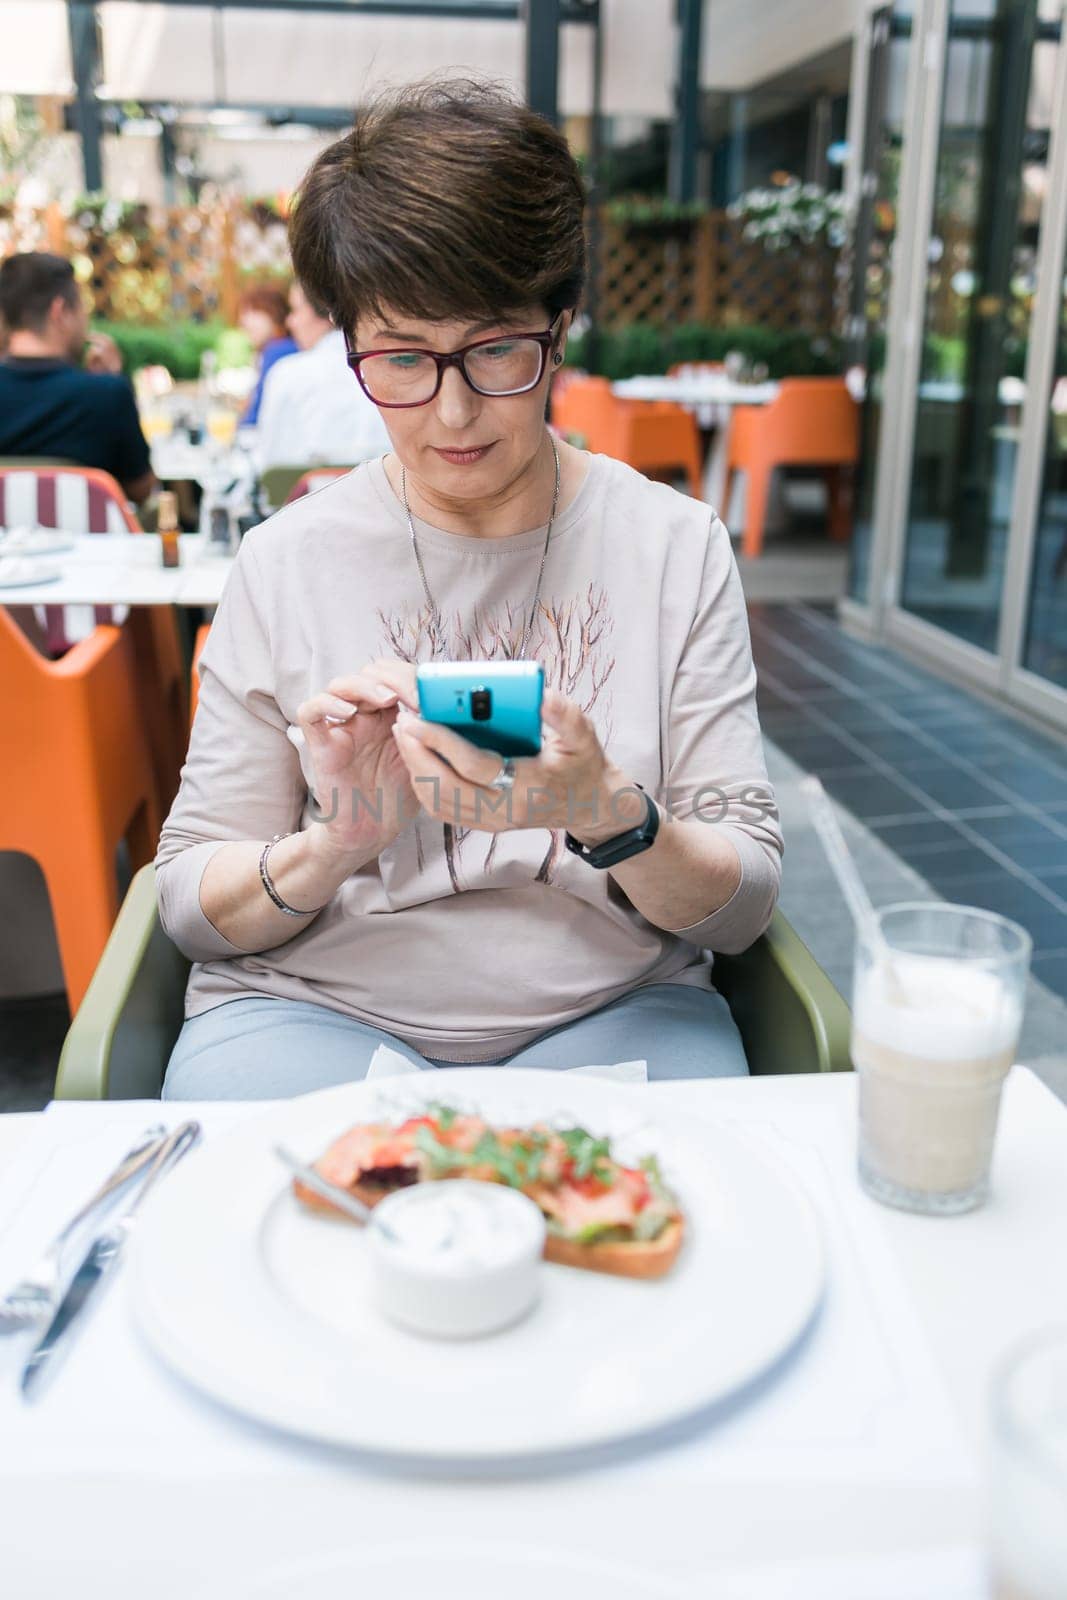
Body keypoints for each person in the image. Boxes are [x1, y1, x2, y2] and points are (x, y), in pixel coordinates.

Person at [155, 80, 783, 1100]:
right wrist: (337, 841)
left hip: (611, 1006)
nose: (450, 413)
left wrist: (608, 812)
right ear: (351, 344)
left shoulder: (673, 544)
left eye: (494, 349)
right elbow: (187, 901)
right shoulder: (284, 560)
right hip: (311, 1007)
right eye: (401, 358)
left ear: (559, 327)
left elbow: (743, 902)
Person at [0, 251, 156, 504]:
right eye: (82, 309)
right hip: (92, 544)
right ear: (59, 311)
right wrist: (108, 383)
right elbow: (142, 490)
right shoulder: (108, 394)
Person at [255, 280, 391, 468]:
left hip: (310, 493)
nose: (290, 322)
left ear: (326, 314)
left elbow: (269, 461)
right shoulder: (387, 365)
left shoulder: (287, 373)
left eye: (296, 310)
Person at [237, 283, 298, 427]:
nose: (244, 321)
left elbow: (255, 417)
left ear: (274, 313)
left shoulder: (279, 351)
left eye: (253, 311)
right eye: (243, 313)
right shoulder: (285, 347)